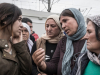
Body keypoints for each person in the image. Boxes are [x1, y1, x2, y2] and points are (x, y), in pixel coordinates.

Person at [32, 8, 87, 75]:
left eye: (65, 21)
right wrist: (41, 64)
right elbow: (55, 64)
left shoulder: (91, 40)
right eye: (61, 23)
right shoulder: (63, 41)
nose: (63, 26)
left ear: (77, 19)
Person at [0, 3, 32, 75]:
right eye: (19, 19)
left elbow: (27, 71)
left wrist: (20, 46)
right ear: (4, 19)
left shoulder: (18, 44)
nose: (21, 25)